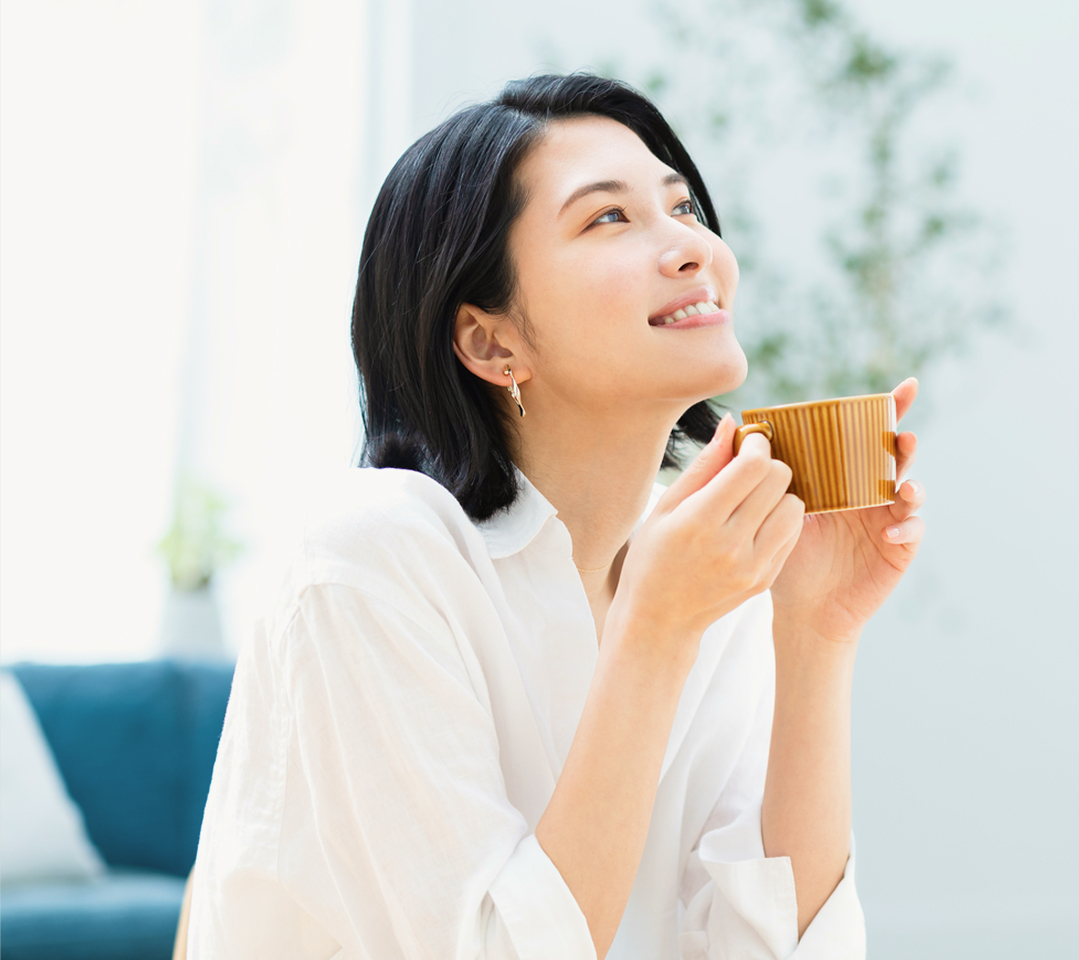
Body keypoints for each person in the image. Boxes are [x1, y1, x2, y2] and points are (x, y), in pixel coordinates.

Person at [185, 73, 921, 959]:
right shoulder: (372, 557)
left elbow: (760, 949)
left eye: (682, 207)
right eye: (607, 218)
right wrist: (653, 631)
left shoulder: (705, 578)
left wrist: (813, 631)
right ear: (492, 342)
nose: (693, 248)